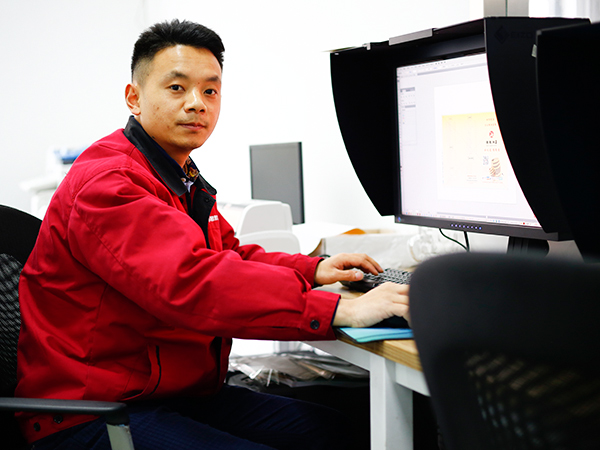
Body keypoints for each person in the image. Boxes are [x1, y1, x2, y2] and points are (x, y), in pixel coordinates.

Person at [15, 19, 409, 450]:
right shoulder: (110, 183)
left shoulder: (177, 175)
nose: (197, 104)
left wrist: (312, 269)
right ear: (134, 97)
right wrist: (337, 310)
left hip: (170, 392)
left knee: (337, 431)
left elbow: (226, 255)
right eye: (177, 88)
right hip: (92, 411)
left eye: (210, 91)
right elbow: (191, 280)